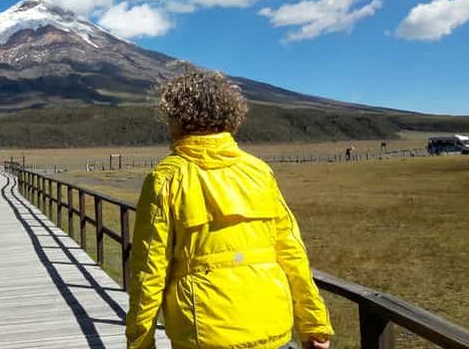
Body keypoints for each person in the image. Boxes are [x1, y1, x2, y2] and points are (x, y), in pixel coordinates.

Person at [126, 70, 333, 349]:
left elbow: (148, 271)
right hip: (273, 325)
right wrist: (314, 323)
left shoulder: (166, 178)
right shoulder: (259, 171)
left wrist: (140, 342)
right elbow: (292, 252)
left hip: (205, 333)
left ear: (174, 117)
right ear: (232, 116)